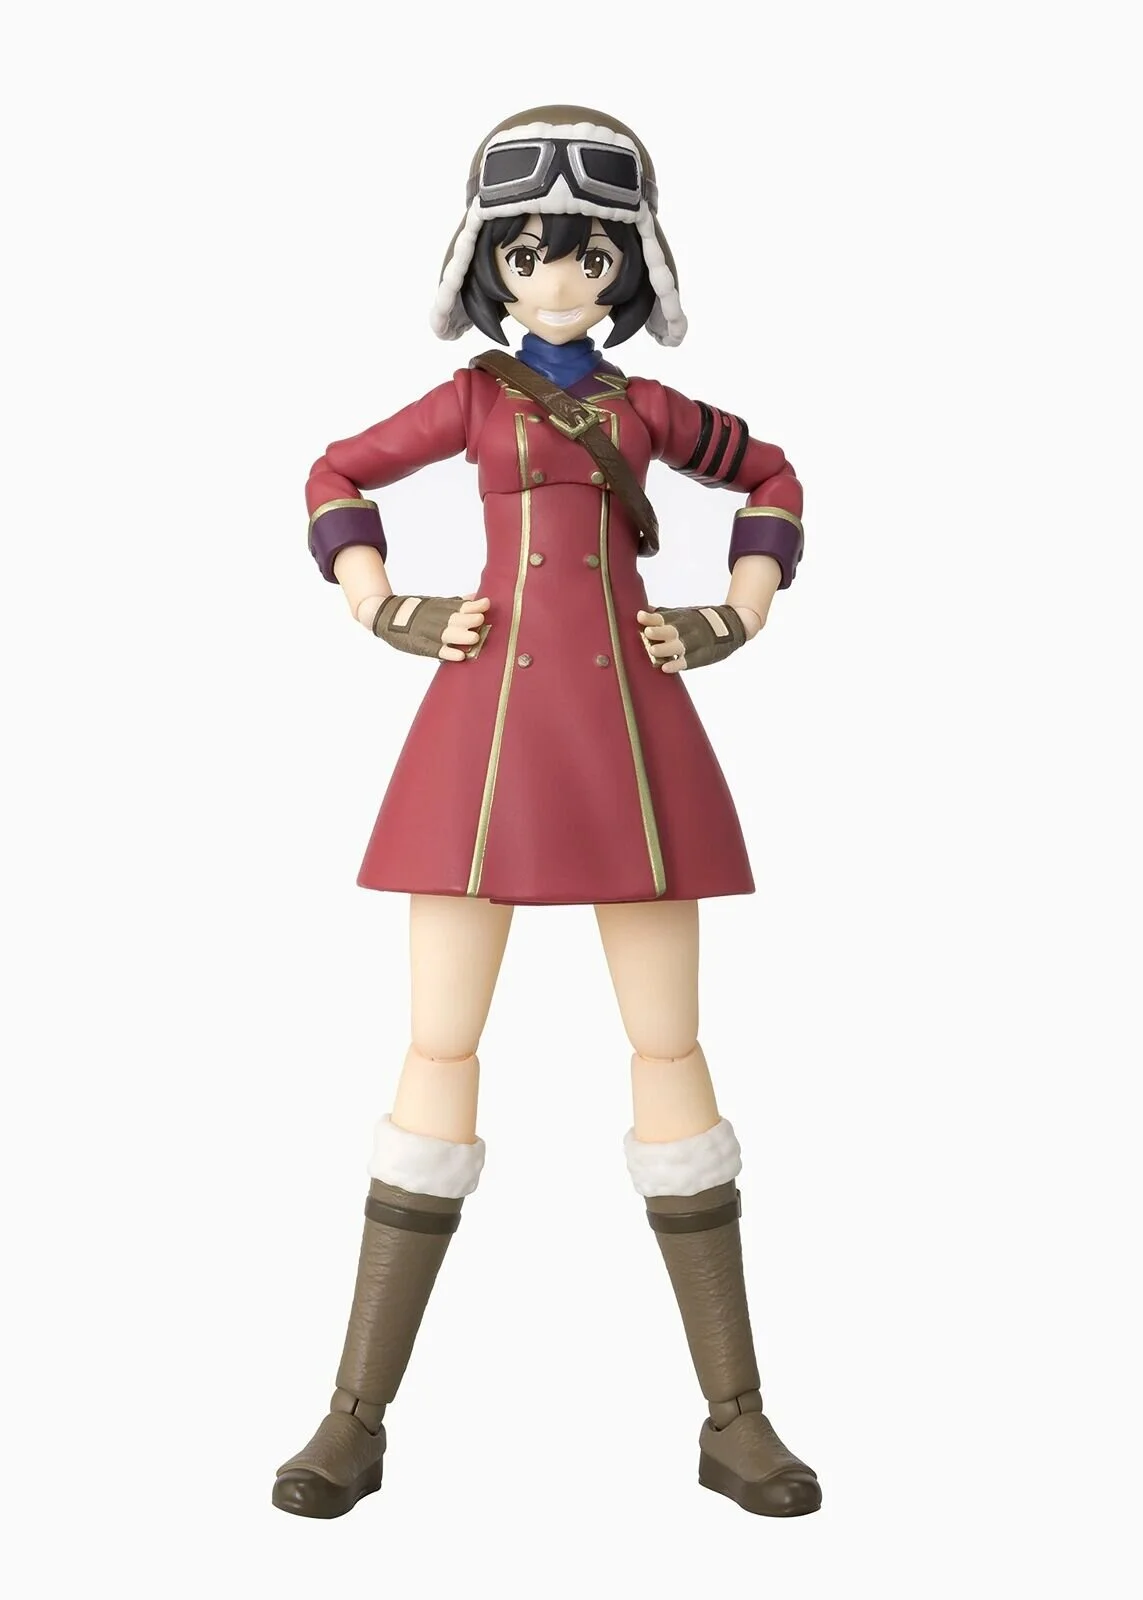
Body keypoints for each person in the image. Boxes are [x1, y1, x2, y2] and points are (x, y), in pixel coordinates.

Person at [273, 105, 820, 1520]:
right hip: (486, 735)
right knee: (435, 1049)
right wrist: (383, 606)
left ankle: (736, 1417)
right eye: (526, 256)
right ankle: (353, 1416)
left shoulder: (646, 410)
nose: (557, 279)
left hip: (633, 734)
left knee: (671, 1047)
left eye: (583, 255)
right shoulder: (472, 400)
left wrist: (734, 616)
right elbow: (333, 473)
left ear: (627, 264)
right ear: (489, 267)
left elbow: (772, 478)